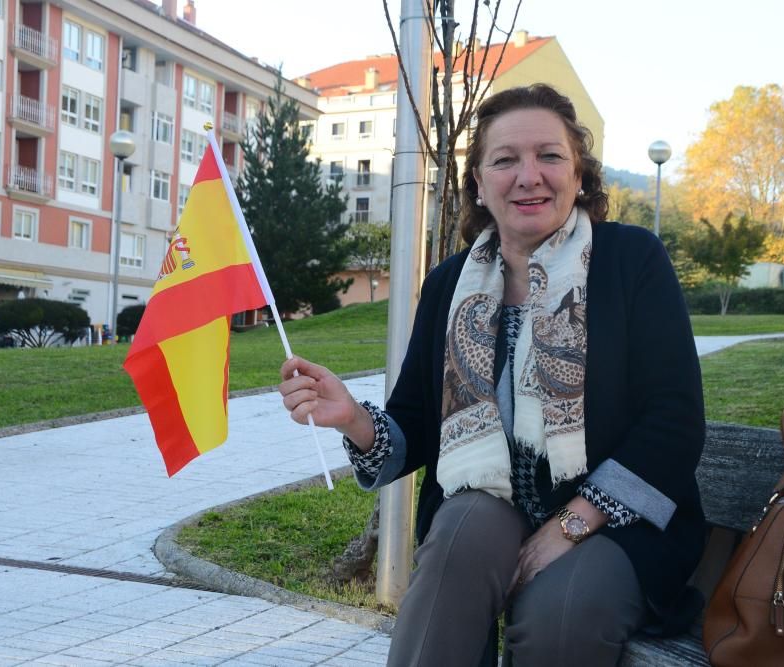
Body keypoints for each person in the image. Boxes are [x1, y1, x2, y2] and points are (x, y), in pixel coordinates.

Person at [279, 83, 705, 667]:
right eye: (505, 160)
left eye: (549, 155)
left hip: (615, 525)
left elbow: (674, 423)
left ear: (579, 174)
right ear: (478, 183)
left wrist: (569, 526)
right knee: (456, 545)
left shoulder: (632, 261)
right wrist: (351, 418)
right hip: (491, 508)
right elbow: (416, 425)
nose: (529, 175)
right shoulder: (451, 284)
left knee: (559, 615)